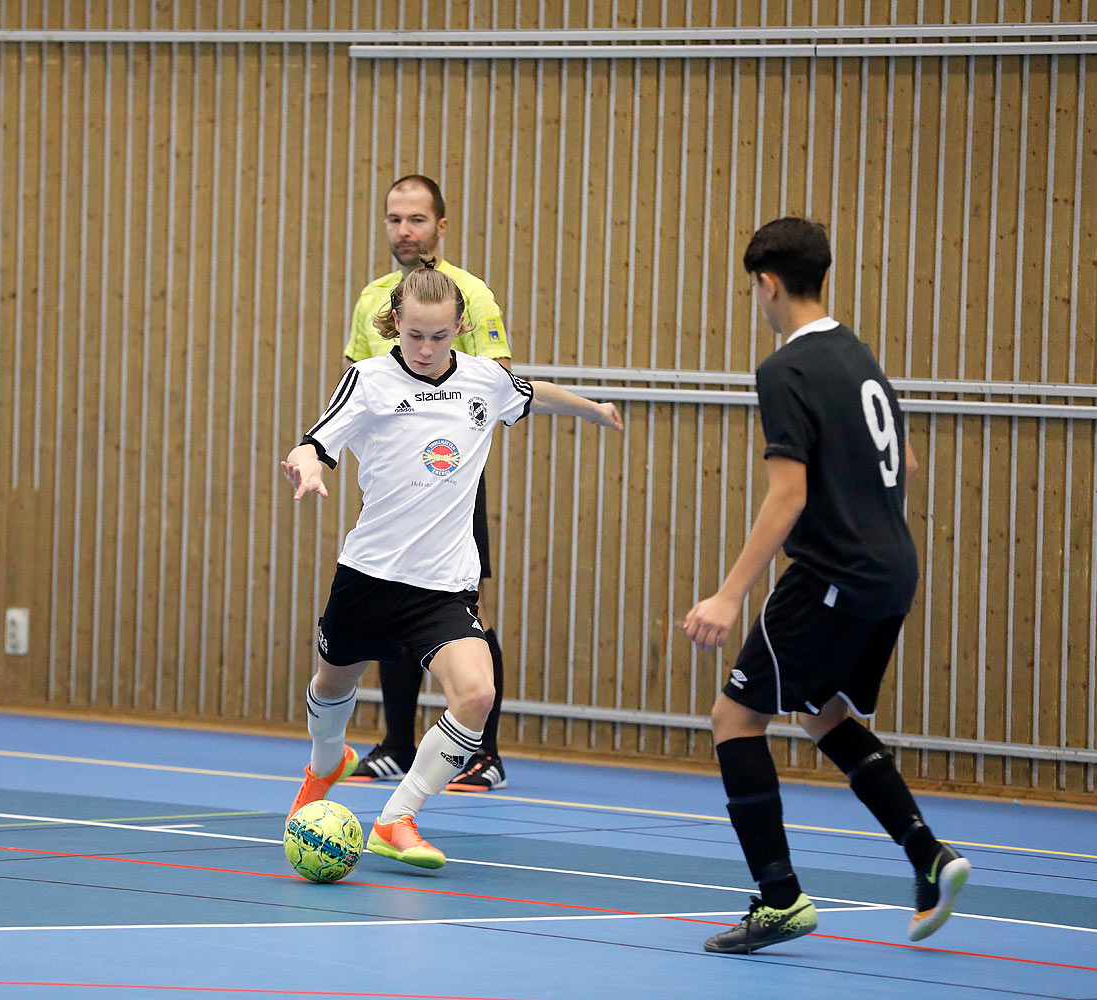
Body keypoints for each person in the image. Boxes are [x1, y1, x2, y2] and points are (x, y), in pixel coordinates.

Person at [683, 217, 969, 954]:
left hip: (834, 575)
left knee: (734, 719)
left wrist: (728, 594)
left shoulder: (786, 368)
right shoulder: (859, 356)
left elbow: (789, 495)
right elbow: (904, 462)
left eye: (755, 288)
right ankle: (927, 856)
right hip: (892, 570)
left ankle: (780, 900)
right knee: (822, 714)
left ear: (767, 284)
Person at [284, 259, 622, 868]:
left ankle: (396, 817)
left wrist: (593, 409)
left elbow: (533, 394)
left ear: (459, 327)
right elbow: (315, 440)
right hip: (369, 576)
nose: (426, 348)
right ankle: (325, 761)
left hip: (445, 585)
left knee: (476, 693)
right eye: (414, 335)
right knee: (331, 686)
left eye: (439, 336)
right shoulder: (368, 379)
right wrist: (307, 464)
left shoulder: (483, 381)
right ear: (395, 325)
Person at [342, 175, 515, 793]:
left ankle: (484, 753)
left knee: (468, 611)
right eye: (393, 219)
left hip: (450, 482)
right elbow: (361, 387)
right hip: (391, 487)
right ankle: (395, 741)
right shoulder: (373, 301)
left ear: (440, 226)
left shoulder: (471, 296)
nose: (403, 231)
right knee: (391, 597)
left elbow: (496, 386)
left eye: (416, 219)